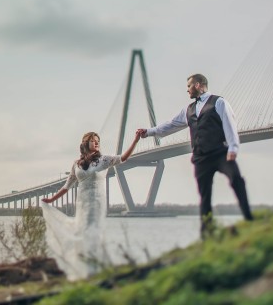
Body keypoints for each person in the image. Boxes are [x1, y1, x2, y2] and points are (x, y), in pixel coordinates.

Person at [137, 73, 253, 238]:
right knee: (204, 195)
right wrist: (148, 132)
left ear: (198, 85)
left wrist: (233, 148)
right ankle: (206, 232)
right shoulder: (188, 109)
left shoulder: (219, 102)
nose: (187, 90)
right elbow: (171, 125)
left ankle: (249, 217)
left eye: (189, 86)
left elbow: (230, 123)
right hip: (201, 158)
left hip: (221, 152)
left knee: (236, 179)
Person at [41, 131, 141, 281]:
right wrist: (51, 200)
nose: (96, 143)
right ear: (85, 144)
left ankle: (94, 270)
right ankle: (85, 267)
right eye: (93, 141)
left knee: (92, 231)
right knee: (81, 231)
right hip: (82, 203)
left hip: (96, 202)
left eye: (98, 140)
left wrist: (136, 140)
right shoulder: (76, 164)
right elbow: (66, 186)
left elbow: (123, 158)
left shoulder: (104, 160)